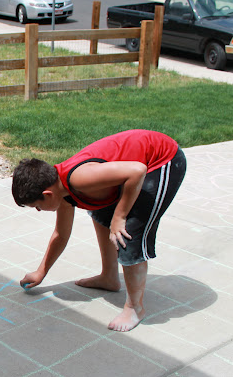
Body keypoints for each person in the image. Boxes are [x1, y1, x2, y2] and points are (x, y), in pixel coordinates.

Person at [12, 129, 186, 332]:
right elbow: (61, 234)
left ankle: (135, 308)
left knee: (128, 233)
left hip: (161, 160)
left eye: (37, 206)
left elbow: (137, 171)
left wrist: (120, 217)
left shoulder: (79, 179)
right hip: (132, 169)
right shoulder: (63, 193)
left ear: (47, 194)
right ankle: (109, 277)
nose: (39, 211)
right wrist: (41, 272)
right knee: (101, 214)